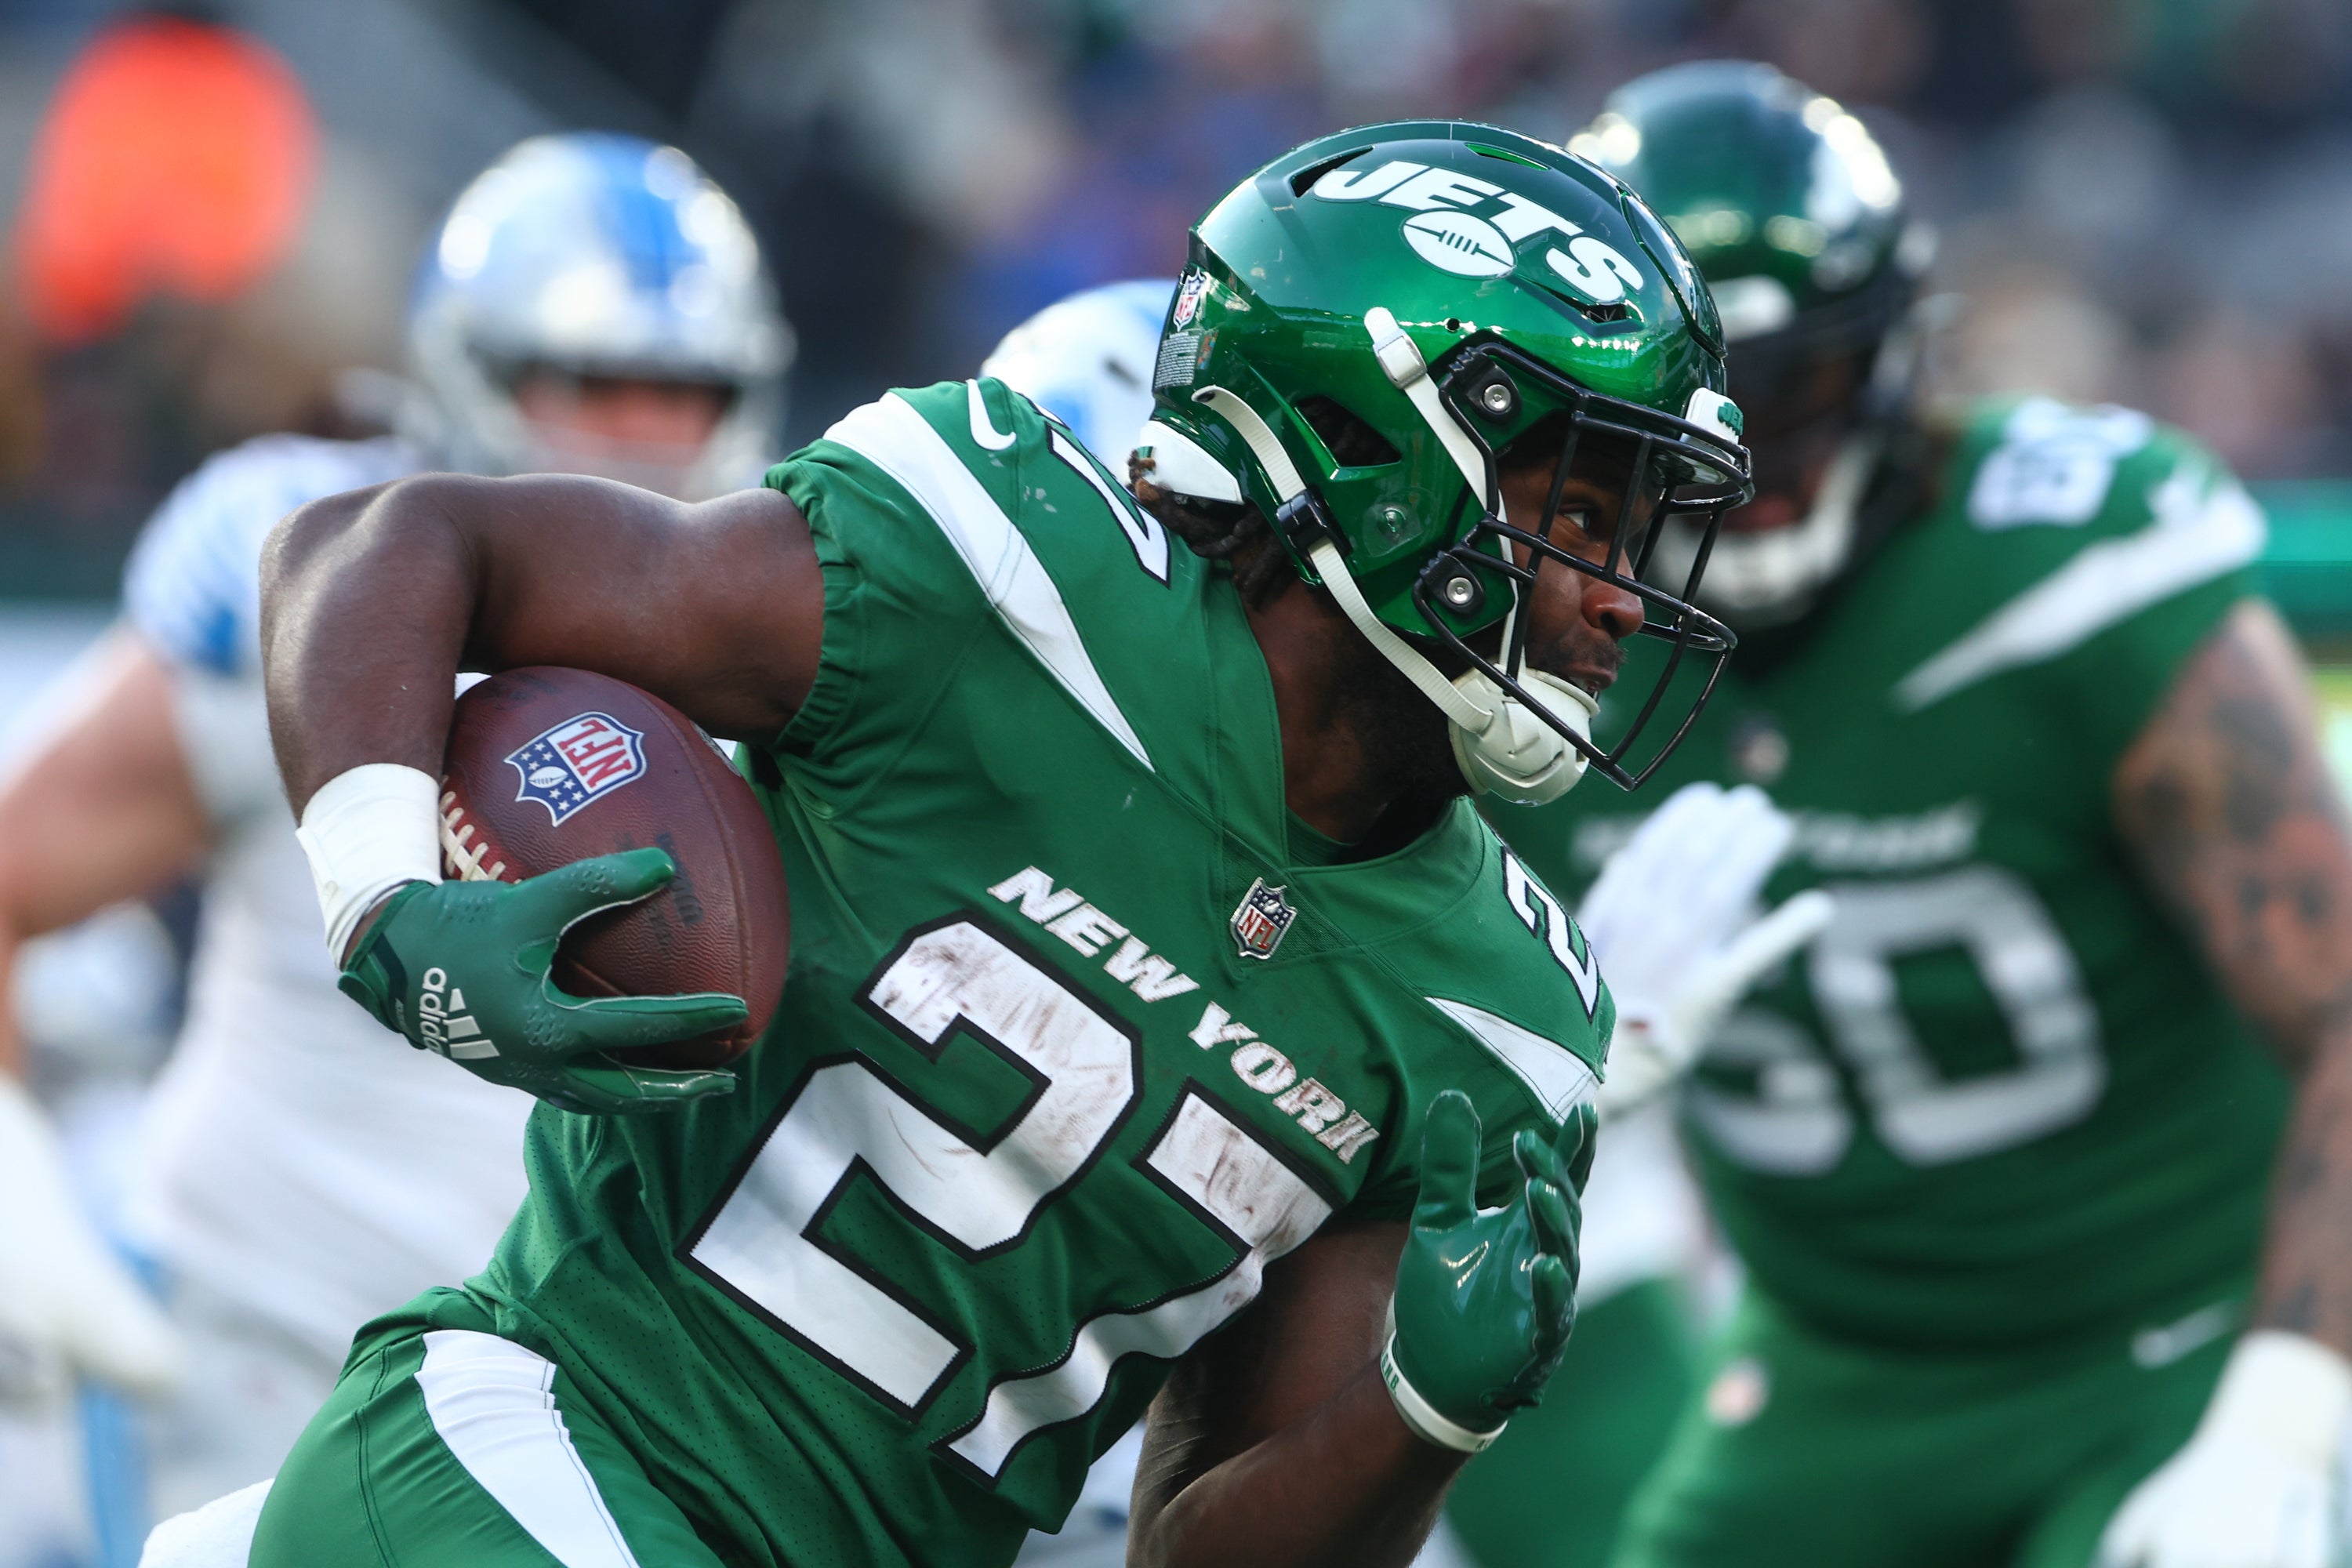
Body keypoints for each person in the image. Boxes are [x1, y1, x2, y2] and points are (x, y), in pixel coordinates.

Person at [240, 122, 1752, 1568]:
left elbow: (1190, 1547)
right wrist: (383, 893)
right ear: (1373, 449)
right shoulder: (999, 581)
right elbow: (393, 542)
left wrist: (1419, 1417)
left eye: (1635, 538)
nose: (1617, 599)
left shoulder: (1497, 1019)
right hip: (530, 1445)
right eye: (1576, 518)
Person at [1490, 60, 2352, 1568]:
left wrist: (2285, 1414)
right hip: (1842, 1373)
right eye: (1688, 416)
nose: (1743, 471)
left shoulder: (2060, 567)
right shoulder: (1515, 624)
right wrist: (1564, 1087)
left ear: (1892, 360)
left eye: (1791, 393)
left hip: (2182, 1337)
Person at [0, 129, 791, 1530]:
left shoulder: (789, 643)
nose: (641, 430)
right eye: (589, 378)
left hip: (582, 1417)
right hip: (262, 1350)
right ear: (468, 367)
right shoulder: (316, 575)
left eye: (686, 388)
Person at [982, 278, 1814, 1568]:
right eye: (1139, 556)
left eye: (1206, 560)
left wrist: (1559, 1096)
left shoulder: (1448, 898)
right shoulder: (873, 732)